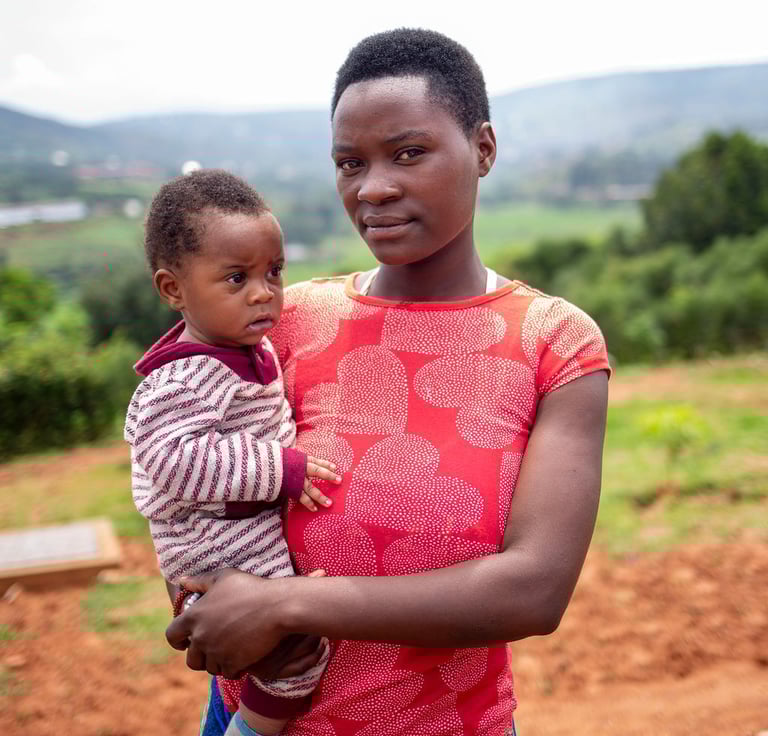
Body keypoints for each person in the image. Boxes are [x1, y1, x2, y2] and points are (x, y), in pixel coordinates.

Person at [167, 28, 611, 736]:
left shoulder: (553, 343)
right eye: (350, 163)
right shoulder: (286, 322)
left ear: (483, 149)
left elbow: (534, 590)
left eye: (408, 153)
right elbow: (183, 462)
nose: (373, 188)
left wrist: (282, 605)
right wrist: (200, 598)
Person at [124, 169, 342, 736]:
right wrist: (280, 468)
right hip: (215, 542)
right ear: (173, 289)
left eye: (274, 272)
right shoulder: (188, 375)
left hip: (240, 530)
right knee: (296, 653)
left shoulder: (245, 345)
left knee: (292, 634)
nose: (263, 292)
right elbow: (172, 458)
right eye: (236, 278)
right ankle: (248, 728)